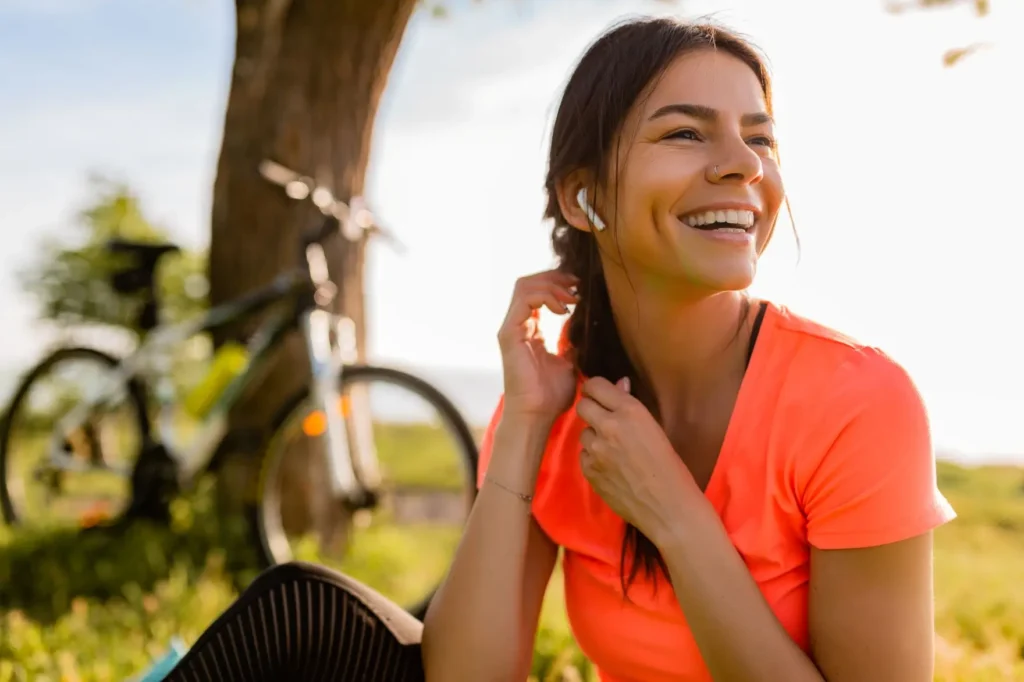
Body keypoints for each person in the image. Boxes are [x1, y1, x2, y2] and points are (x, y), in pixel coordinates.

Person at [161, 16, 956, 682]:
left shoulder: (856, 401)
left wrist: (677, 518)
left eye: (761, 138)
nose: (743, 165)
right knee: (303, 609)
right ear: (584, 197)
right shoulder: (555, 404)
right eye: (685, 131)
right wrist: (524, 430)